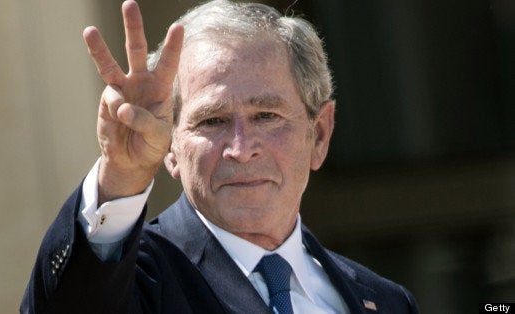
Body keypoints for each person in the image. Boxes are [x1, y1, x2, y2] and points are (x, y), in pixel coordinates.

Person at [21, 0, 419, 313]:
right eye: (212, 121)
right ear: (172, 149)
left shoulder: (385, 301)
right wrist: (121, 175)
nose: (242, 148)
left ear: (319, 134)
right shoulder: (139, 280)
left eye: (267, 116)